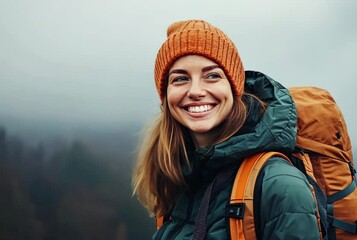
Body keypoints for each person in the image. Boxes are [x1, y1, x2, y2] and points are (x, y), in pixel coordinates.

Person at [133, 19, 320, 240]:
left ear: (234, 88)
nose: (195, 91)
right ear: (165, 97)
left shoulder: (279, 185)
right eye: (180, 79)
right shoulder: (179, 178)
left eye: (212, 75)